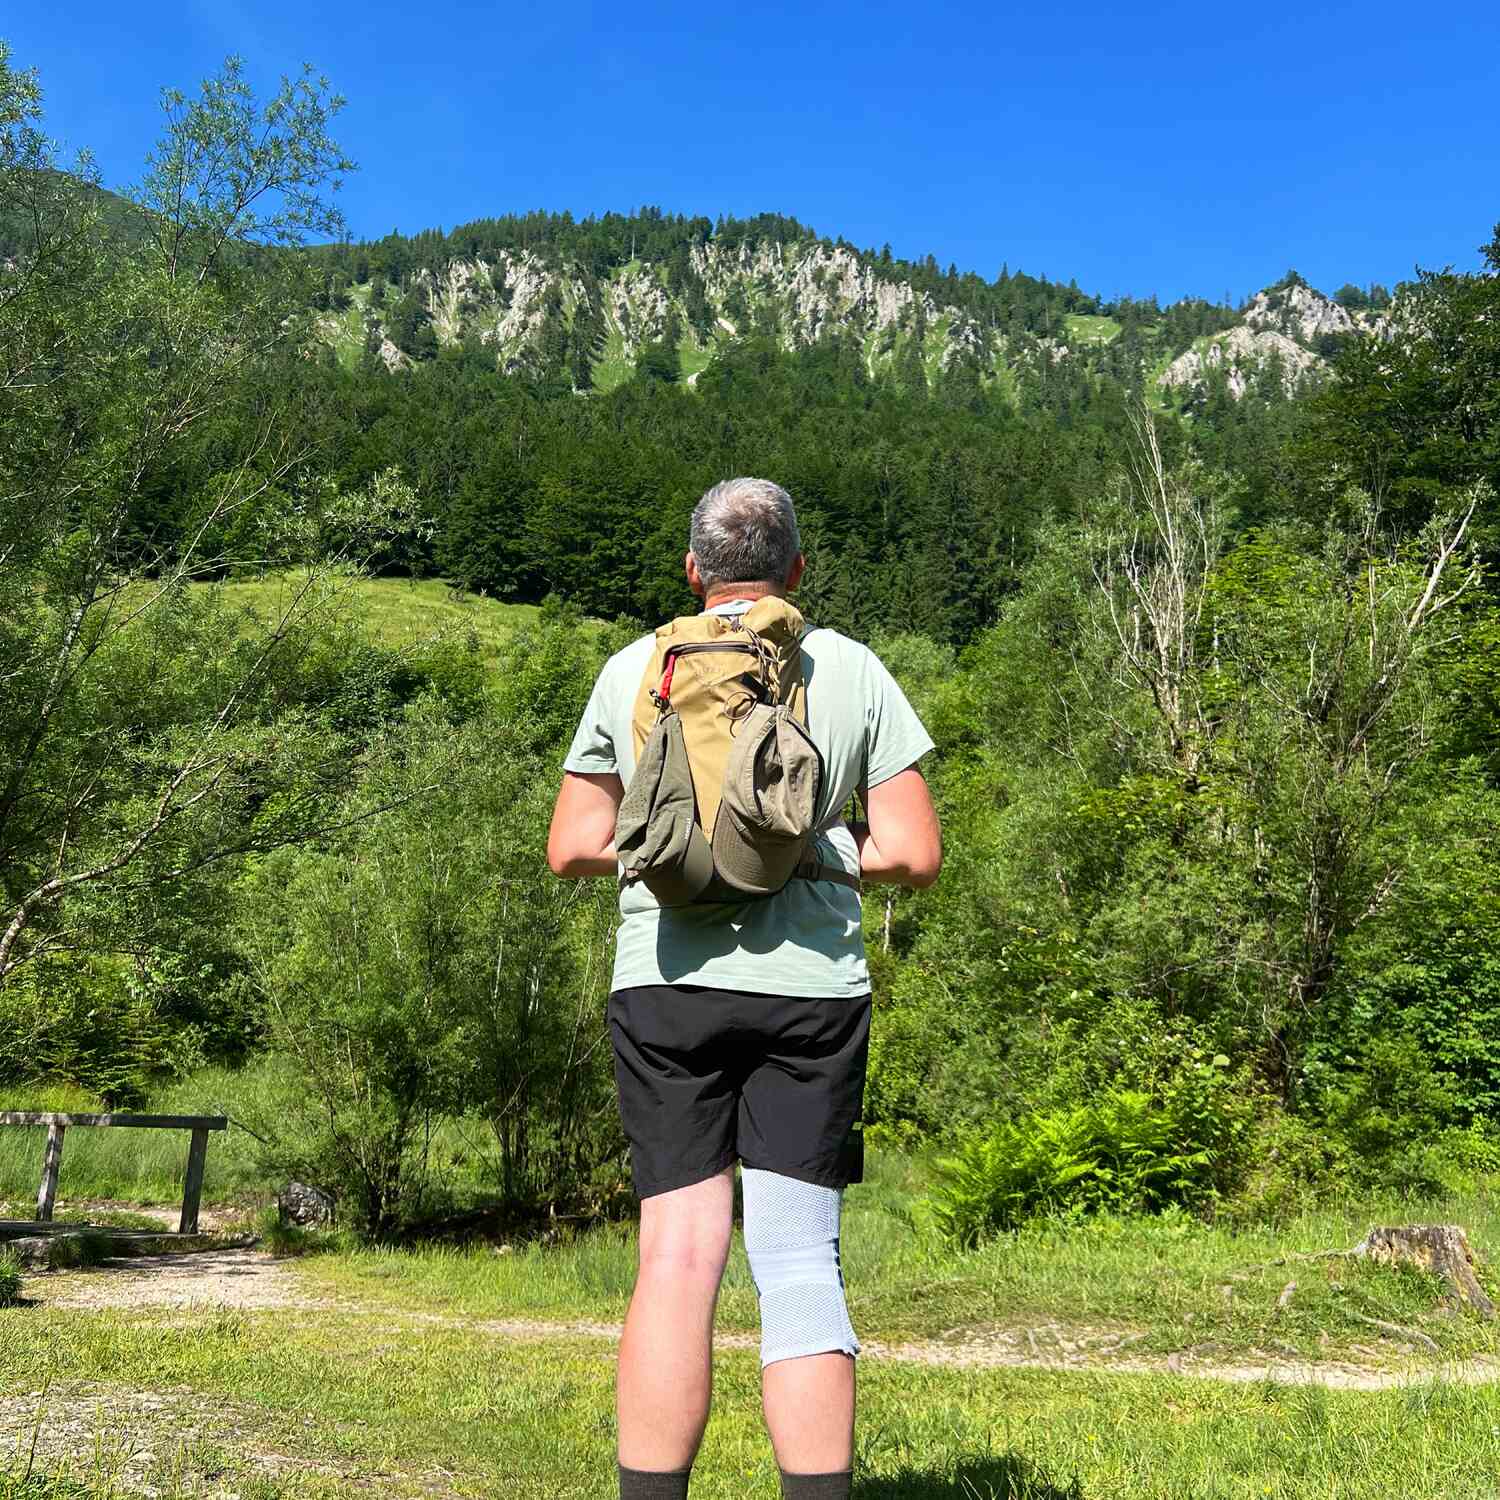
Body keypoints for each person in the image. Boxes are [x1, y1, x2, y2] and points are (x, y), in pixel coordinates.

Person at [547, 477, 941, 1500]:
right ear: (798, 570)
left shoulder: (636, 670)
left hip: (666, 986)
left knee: (676, 1263)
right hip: (810, 996)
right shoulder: (848, 668)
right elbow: (917, 852)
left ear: (693, 569)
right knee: (800, 1263)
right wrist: (813, 851)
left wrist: (668, 847)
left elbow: (570, 848)